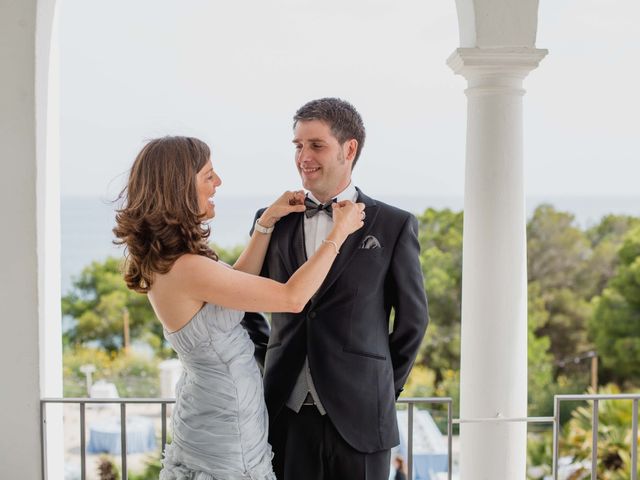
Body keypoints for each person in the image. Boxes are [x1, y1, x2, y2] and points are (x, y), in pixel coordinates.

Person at [113, 135, 365, 480]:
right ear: (179, 188)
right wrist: (338, 233)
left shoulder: (177, 263)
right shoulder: (187, 268)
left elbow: (236, 286)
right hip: (224, 429)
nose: (218, 183)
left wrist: (266, 224)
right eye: (208, 176)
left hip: (216, 414)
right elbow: (292, 298)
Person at [242, 98, 429, 480]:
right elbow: (243, 301)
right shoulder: (271, 220)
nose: (303, 157)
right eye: (297, 145)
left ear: (349, 149)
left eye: (315, 145)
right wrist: (271, 357)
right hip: (285, 411)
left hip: (363, 416)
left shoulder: (393, 224)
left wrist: (379, 390)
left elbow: (413, 321)